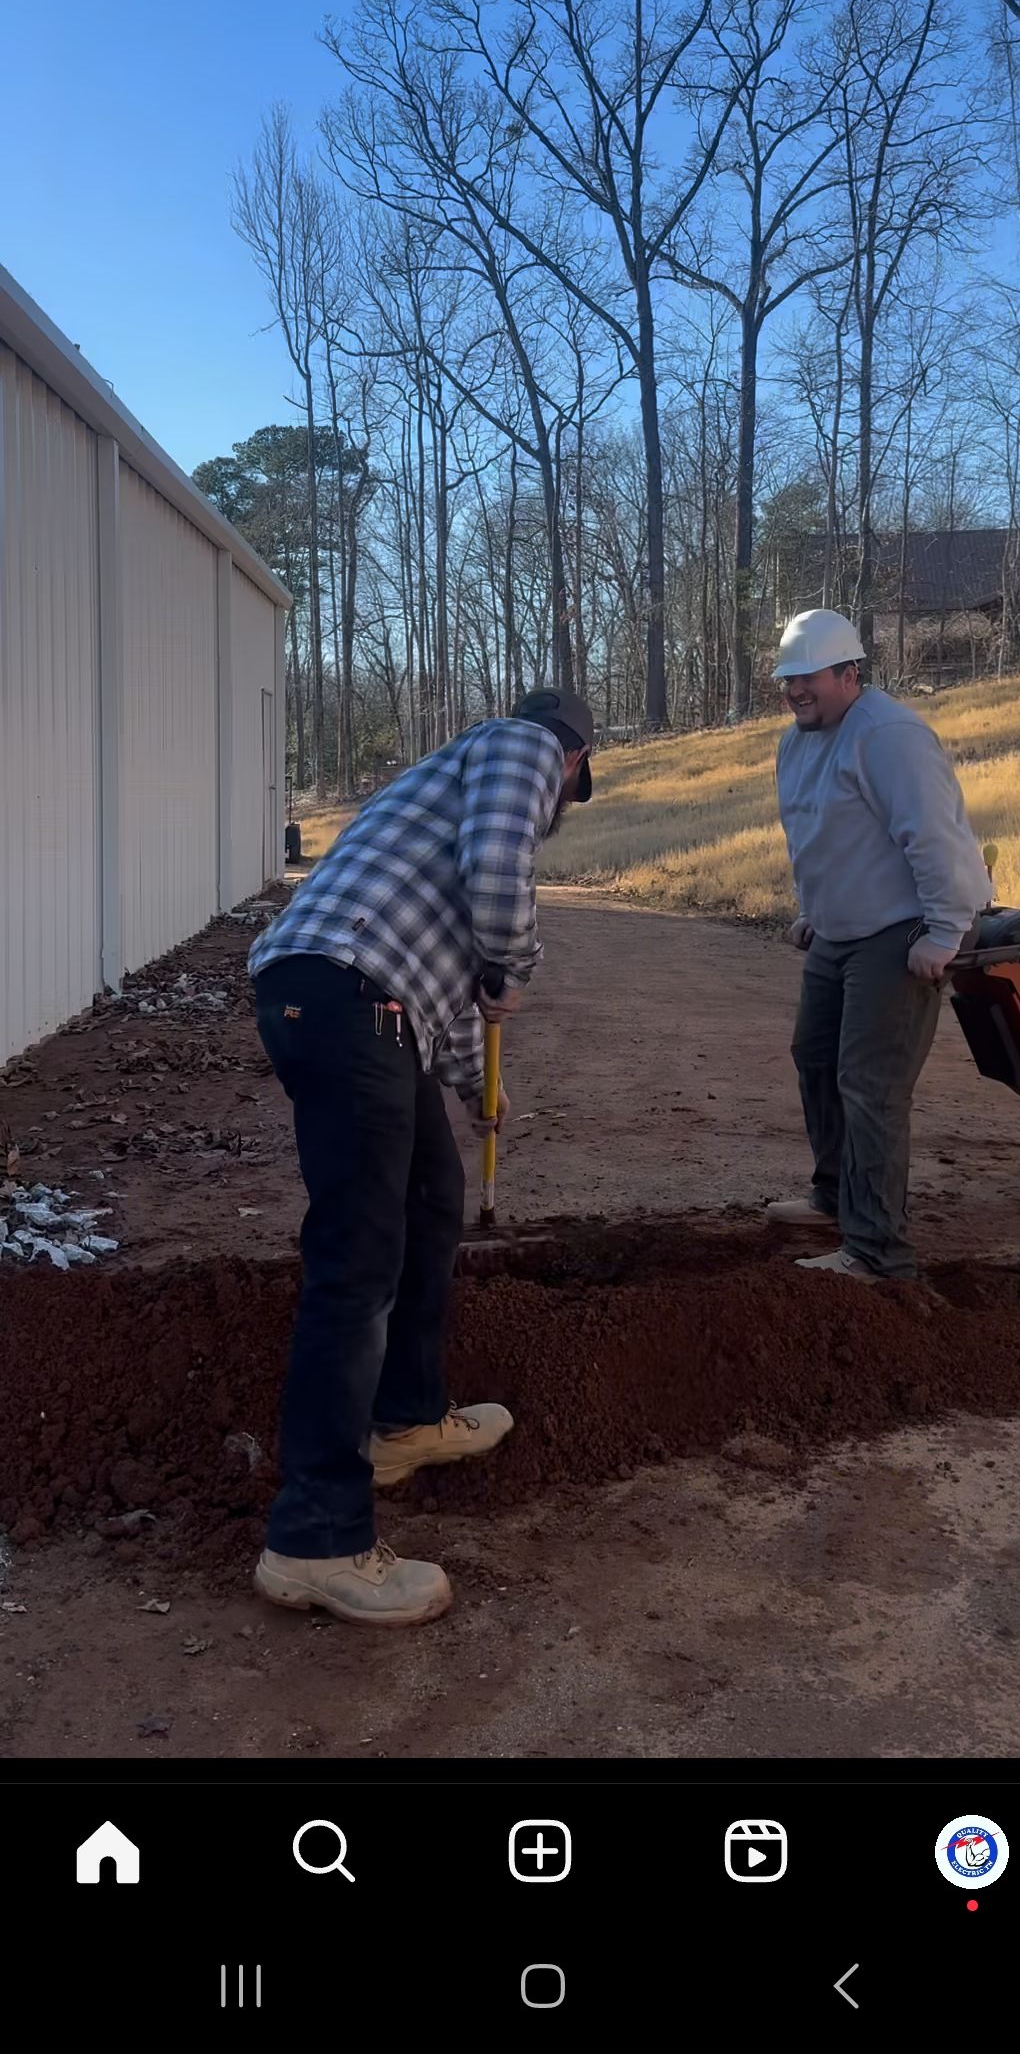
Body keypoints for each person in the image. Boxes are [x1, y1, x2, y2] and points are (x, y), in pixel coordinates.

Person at [247, 688, 594, 1629]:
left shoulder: (438, 784)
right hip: (343, 997)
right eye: (570, 793)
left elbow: (421, 991)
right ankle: (315, 1539)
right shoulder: (523, 746)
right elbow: (496, 875)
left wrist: (471, 1081)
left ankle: (404, 1419)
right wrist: (512, 971)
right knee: (356, 1262)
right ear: (571, 765)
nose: (556, 807)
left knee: (435, 1195)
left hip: (360, 1001)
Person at [767, 609, 990, 1283]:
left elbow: (933, 836)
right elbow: (818, 837)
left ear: (849, 673)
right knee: (814, 1056)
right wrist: (815, 912)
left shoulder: (888, 735)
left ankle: (878, 1251)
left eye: (811, 677)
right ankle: (836, 1197)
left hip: (904, 929)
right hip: (841, 929)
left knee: (871, 1084)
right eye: (789, 679)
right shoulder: (796, 742)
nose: (798, 690)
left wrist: (945, 931)